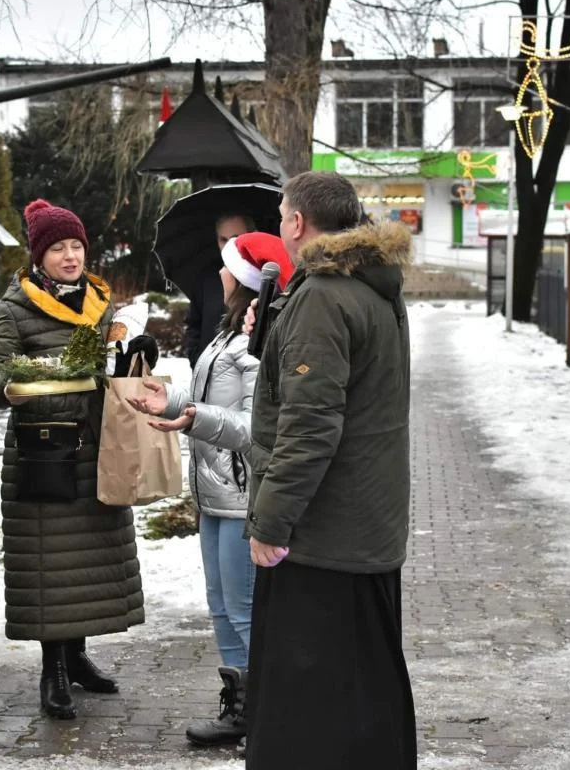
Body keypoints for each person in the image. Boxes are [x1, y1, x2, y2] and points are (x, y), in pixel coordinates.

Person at [241, 172, 417, 768]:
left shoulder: (323, 295)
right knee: (364, 693)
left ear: (296, 223)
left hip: (322, 535)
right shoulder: (370, 284)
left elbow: (311, 427)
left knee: (308, 706)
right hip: (366, 526)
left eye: (282, 215)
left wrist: (270, 522)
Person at [0, 199, 144, 721]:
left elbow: (110, 369)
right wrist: (13, 388)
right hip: (43, 450)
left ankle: (79, 656)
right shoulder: (14, 308)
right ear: (38, 256)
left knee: (86, 561)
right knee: (51, 564)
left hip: (95, 447)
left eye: (76, 246)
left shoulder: (100, 302)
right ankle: (54, 671)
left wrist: (132, 356)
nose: (70, 257)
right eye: (58, 248)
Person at [126, 232, 293, 749]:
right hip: (216, 493)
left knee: (245, 610)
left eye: (224, 266)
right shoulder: (227, 333)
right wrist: (172, 397)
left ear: (243, 278)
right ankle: (239, 706)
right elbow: (209, 401)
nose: (216, 275)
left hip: (243, 495)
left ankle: (267, 716)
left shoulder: (255, 342)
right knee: (221, 605)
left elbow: (254, 427)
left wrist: (192, 416)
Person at [185, 213, 255, 367]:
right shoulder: (206, 278)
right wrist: (197, 361)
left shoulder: (261, 278)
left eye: (235, 238)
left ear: (250, 235)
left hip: (247, 374)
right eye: (223, 239)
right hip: (207, 375)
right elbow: (194, 326)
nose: (229, 246)